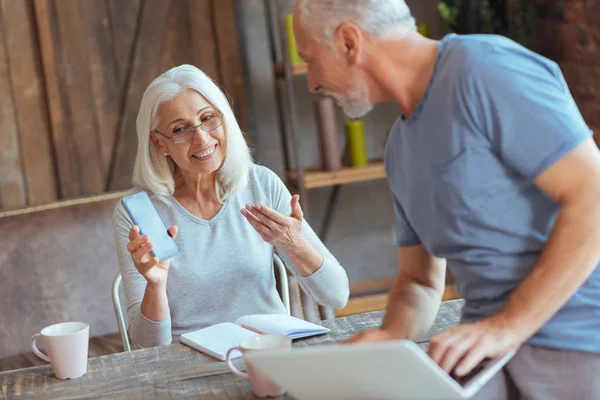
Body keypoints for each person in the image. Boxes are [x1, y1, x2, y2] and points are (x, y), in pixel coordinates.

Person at [293, 1, 600, 398]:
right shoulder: (399, 150)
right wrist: (390, 336)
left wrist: (505, 327)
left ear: (350, 42)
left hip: (577, 340)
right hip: (485, 353)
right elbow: (420, 281)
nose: (312, 83)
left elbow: (592, 195)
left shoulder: (486, 69)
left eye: (311, 60)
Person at [113, 64, 349, 349]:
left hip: (269, 354)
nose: (202, 139)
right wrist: (155, 285)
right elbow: (148, 348)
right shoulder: (139, 212)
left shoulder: (260, 185)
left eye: (208, 118)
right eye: (180, 129)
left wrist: (294, 243)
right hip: (187, 369)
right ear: (159, 143)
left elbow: (337, 296)